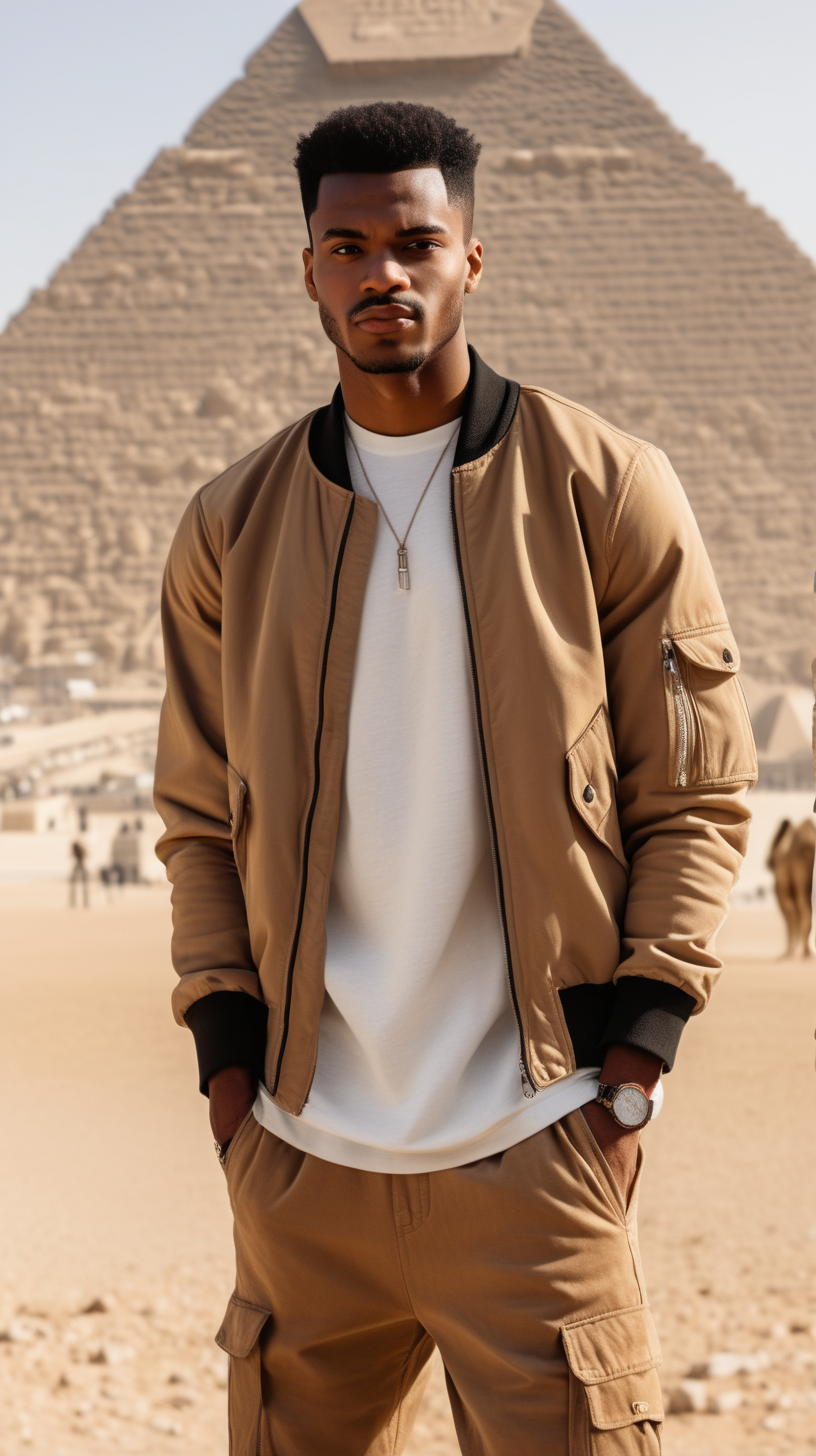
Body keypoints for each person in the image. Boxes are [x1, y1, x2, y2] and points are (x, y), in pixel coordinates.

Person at [154, 102, 757, 1456]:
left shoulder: (610, 489)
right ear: (305, 265)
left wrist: (634, 1069)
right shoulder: (231, 530)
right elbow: (196, 819)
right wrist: (231, 1085)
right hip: (304, 1170)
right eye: (348, 245)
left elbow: (699, 794)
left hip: (538, 1153)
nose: (385, 273)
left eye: (417, 241)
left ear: (473, 256)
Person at [68, 836, 89, 908]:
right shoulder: (80, 850)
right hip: (81, 866)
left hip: (79, 865)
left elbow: (71, 855)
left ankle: (74, 903)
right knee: (84, 886)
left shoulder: (78, 850)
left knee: (76, 885)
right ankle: (84, 903)